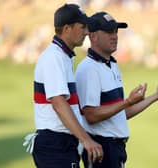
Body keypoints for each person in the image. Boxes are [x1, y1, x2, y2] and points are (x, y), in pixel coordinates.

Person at [75, 11, 158, 168]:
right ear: (93, 36)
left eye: (115, 31)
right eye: (108, 31)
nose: (114, 36)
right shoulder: (88, 69)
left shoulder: (111, 65)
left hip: (115, 149)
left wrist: (154, 96)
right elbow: (91, 115)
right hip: (101, 149)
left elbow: (120, 114)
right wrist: (127, 102)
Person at [30, 4, 103, 168]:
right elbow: (59, 104)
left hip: (61, 143)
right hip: (55, 143)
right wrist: (86, 139)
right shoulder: (54, 57)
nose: (86, 32)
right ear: (67, 28)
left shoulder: (62, 56)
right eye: (82, 27)